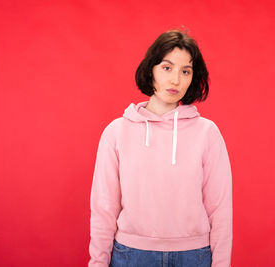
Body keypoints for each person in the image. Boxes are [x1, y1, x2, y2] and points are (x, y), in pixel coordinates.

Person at [88, 29, 233, 267]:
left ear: (193, 78)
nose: (175, 79)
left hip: (194, 256)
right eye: (167, 67)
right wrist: (97, 263)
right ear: (151, 70)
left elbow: (220, 210)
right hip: (130, 255)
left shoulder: (208, 133)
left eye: (185, 71)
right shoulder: (116, 132)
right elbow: (103, 207)